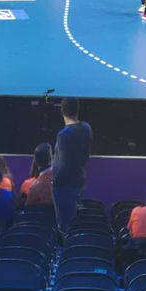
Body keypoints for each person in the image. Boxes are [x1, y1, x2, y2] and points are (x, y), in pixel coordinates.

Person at [53, 97, 92, 232]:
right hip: (79, 180)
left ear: (62, 111)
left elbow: (64, 165)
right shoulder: (86, 128)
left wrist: (55, 182)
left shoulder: (64, 135)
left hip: (64, 185)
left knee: (64, 224)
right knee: (73, 221)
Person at [20, 143, 53, 209]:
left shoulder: (32, 187)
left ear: (35, 161)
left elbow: (27, 209)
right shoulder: (61, 180)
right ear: (51, 158)